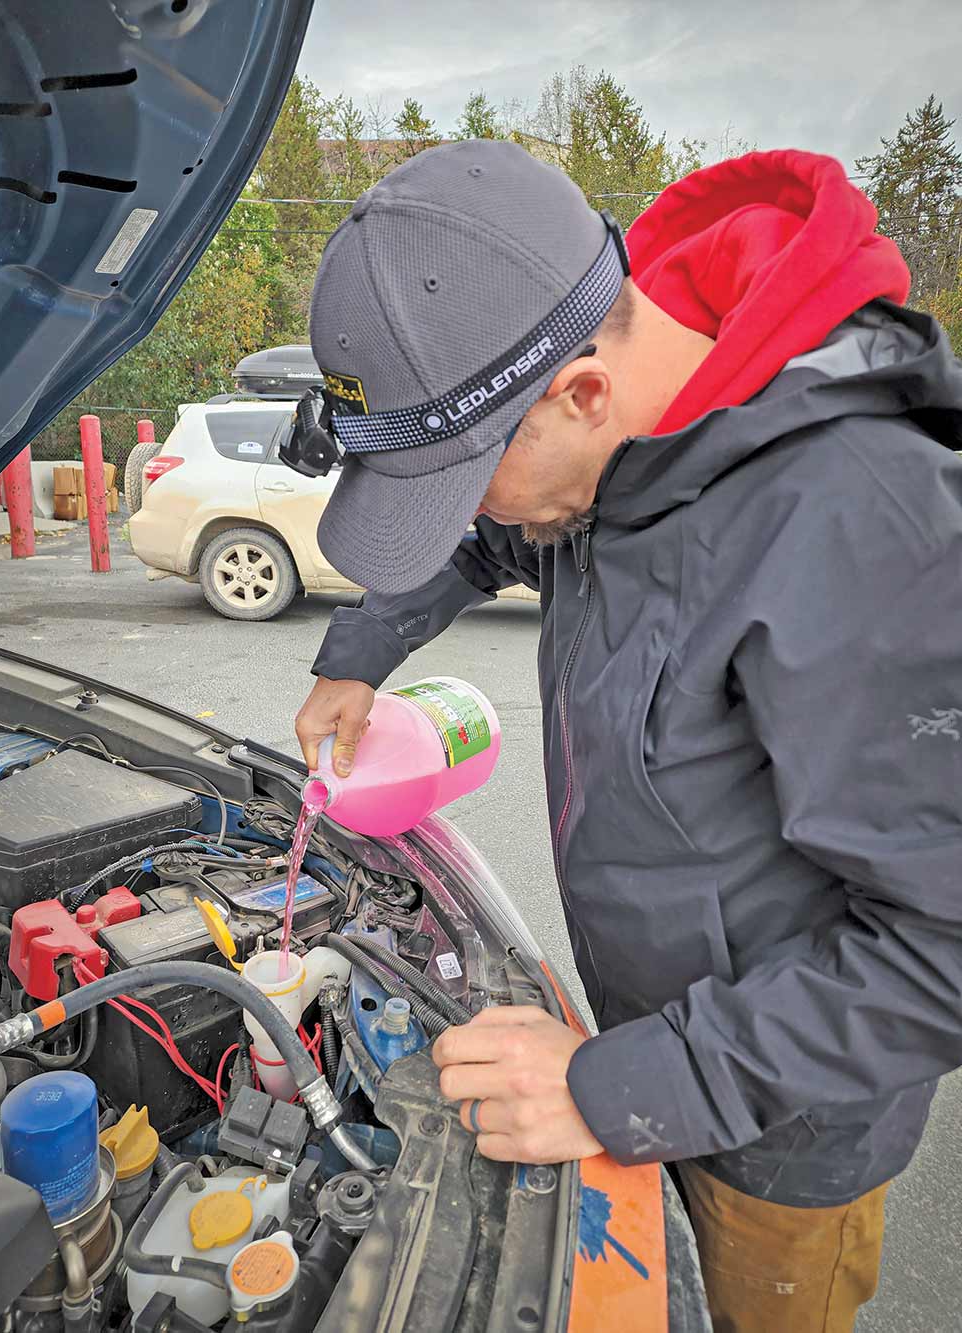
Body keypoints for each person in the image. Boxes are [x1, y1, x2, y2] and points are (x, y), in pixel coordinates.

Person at [294, 140, 962, 1332]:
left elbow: (940, 950)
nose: (480, 518)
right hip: (649, 1050)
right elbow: (504, 535)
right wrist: (358, 653)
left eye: (462, 483)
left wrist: (615, 1088)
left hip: (772, 1141)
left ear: (581, 397)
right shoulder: (615, 443)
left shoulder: (863, 527)